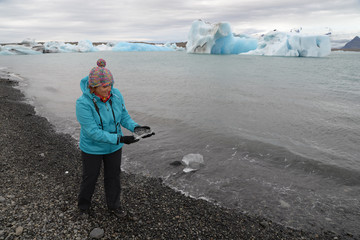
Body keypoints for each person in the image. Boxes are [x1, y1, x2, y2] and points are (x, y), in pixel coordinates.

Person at [76, 59, 154, 219]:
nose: (109, 89)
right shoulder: (83, 103)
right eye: (104, 86)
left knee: (113, 177)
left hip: (113, 147)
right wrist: (121, 139)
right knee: (90, 177)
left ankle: (114, 206)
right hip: (92, 147)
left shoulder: (116, 94)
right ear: (93, 87)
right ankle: (83, 207)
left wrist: (135, 127)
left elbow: (124, 116)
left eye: (110, 84)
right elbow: (92, 132)